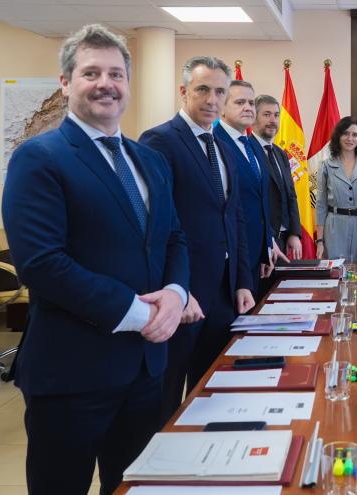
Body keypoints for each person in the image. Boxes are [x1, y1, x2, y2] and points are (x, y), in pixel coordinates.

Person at [1, 24, 189, 494]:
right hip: (72, 374)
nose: (106, 83)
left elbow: (175, 240)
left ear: (128, 82)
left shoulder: (151, 161)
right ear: (65, 82)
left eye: (116, 73)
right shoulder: (38, 158)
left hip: (147, 370)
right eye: (91, 72)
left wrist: (175, 292)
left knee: (133, 487)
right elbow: (42, 264)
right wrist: (140, 312)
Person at [140, 56, 255, 423]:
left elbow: (233, 218)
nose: (212, 99)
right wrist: (177, 288)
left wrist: (242, 281)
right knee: (167, 397)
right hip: (183, 297)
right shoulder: (159, 141)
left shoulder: (220, 145)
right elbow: (155, 227)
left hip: (222, 294)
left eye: (220, 91)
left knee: (212, 391)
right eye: (203, 89)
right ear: (183, 91)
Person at [215, 80, 287, 286]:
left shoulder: (252, 146)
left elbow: (260, 202)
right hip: (231, 259)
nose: (247, 107)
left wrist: (267, 246)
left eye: (250, 103)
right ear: (222, 109)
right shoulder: (215, 143)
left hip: (258, 257)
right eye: (239, 102)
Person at [315, 116, 357, 261]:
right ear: (338, 136)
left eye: (355, 134)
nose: (350, 138)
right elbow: (321, 205)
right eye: (345, 133)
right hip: (335, 228)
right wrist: (319, 241)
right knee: (336, 275)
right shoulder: (325, 165)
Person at [251, 94, 302, 260]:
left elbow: (291, 194)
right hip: (262, 241)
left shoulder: (280, 154)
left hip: (284, 240)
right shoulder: (247, 150)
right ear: (253, 118)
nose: (273, 120)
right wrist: (268, 238)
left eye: (276, 115)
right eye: (266, 115)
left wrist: (294, 233)